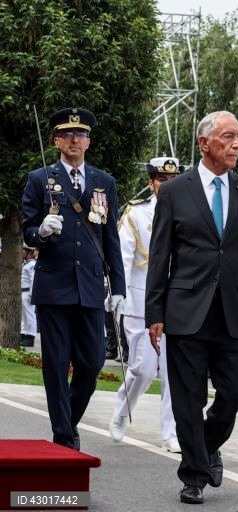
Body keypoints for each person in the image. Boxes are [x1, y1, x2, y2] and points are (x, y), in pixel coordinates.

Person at [145, 111, 238, 504]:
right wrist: (155, 313)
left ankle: (206, 444)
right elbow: (160, 256)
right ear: (204, 143)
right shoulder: (174, 192)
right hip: (186, 309)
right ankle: (193, 475)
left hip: (234, 311)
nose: (236, 144)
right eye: (227, 137)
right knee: (187, 397)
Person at [22, 107, 126, 450]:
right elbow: (27, 232)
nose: (74, 140)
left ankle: (67, 421)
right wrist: (41, 232)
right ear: (56, 141)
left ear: (88, 141)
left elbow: (109, 236)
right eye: (67, 134)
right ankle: (65, 438)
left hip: (92, 287)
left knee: (92, 361)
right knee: (55, 364)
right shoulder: (40, 179)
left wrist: (119, 287)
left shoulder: (103, 182)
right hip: (54, 286)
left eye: (80, 135)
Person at [109, 157, 182, 452]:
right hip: (140, 300)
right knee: (144, 369)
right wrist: (118, 294)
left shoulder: (188, 212)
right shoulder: (137, 214)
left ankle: (170, 432)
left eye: (172, 180)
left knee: (173, 369)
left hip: (176, 302)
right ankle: (121, 413)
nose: (167, 185)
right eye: (162, 180)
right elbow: (123, 258)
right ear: (152, 183)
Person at [20, 244, 38, 347]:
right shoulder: (26, 264)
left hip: (28, 293)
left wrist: (32, 295)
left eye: (24, 250)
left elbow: (33, 281)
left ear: (29, 253)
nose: (22, 252)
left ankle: (30, 336)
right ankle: (23, 334)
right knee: (23, 316)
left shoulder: (32, 265)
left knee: (30, 315)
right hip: (23, 292)